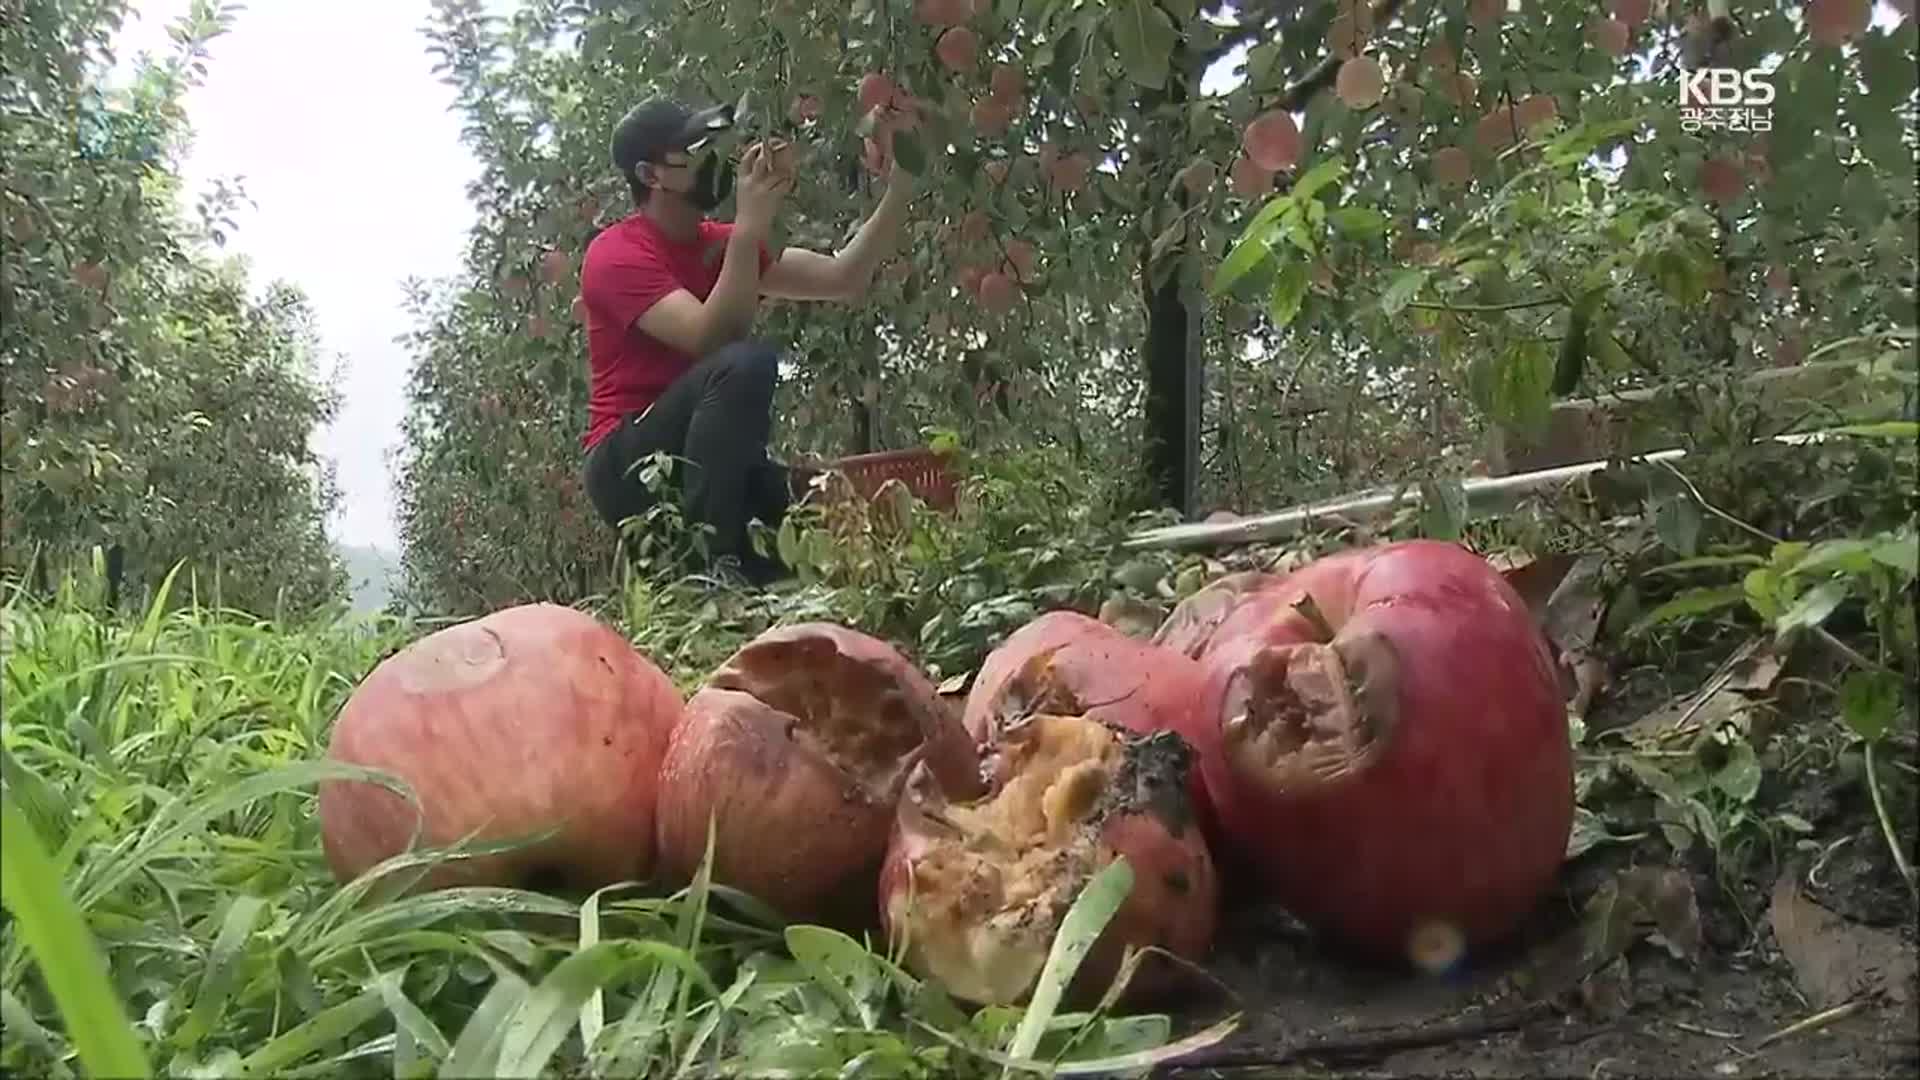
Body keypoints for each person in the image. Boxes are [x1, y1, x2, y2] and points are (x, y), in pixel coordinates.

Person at [577, 97, 916, 586]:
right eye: (693, 150)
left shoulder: (721, 241)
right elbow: (709, 338)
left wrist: (903, 183)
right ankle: (711, 573)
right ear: (652, 175)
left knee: (803, 517)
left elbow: (845, 277)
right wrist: (750, 226)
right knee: (747, 364)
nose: (712, 160)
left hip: (703, 462)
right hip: (628, 464)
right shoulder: (615, 254)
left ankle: (738, 582)